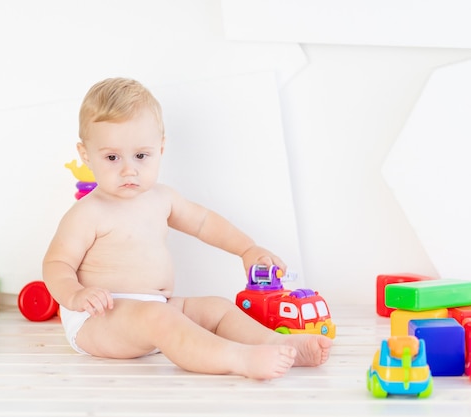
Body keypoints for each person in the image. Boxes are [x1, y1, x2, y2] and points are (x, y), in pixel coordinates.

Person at [42, 77, 332, 380]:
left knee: (217, 309)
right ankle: (238, 359)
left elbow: (204, 223)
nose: (129, 169)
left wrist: (247, 249)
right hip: (99, 320)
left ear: (161, 148)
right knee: (158, 318)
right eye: (112, 157)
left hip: (157, 308)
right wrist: (76, 294)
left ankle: (280, 343)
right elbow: (57, 263)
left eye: (141, 156)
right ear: (86, 154)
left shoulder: (161, 198)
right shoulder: (88, 212)